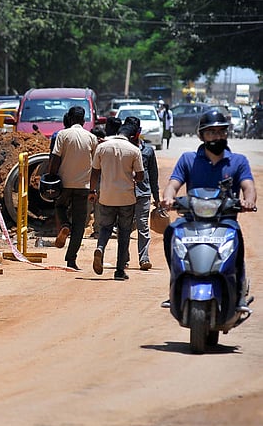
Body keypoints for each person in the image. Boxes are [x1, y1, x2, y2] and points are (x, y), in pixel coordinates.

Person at [161, 109, 257, 307]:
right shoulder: (188, 159)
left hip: (225, 221)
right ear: (202, 135)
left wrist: (249, 201)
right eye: (211, 132)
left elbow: (249, 186)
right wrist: (168, 198)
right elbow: (173, 184)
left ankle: (239, 293)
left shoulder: (238, 161)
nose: (217, 136)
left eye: (221, 131)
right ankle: (177, 284)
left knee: (237, 243)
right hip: (192, 220)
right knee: (171, 232)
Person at [90, 120, 145, 280]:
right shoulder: (134, 150)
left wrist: (92, 191)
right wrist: (132, 176)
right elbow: (140, 176)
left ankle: (100, 247)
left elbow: (94, 172)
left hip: (106, 196)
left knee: (105, 227)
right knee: (124, 233)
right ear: (133, 136)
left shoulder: (102, 147)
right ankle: (120, 271)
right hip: (126, 198)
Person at [47, 106, 98, 270]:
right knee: (79, 223)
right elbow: (95, 166)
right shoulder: (91, 138)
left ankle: (64, 225)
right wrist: (93, 189)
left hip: (64, 183)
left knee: (60, 206)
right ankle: (71, 259)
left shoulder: (63, 135)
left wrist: (51, 176)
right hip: (83, 186)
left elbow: (55, 158)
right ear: (83, 120)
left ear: (69, 119)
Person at [122, 115, 159, 270]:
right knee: (124, 227)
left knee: (143, 226)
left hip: (143, 193)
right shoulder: (120, 149)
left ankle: (144, 258)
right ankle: (123, 258)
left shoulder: (148, 150)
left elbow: (153, 176)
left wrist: (157, 198)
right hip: (124, 194)